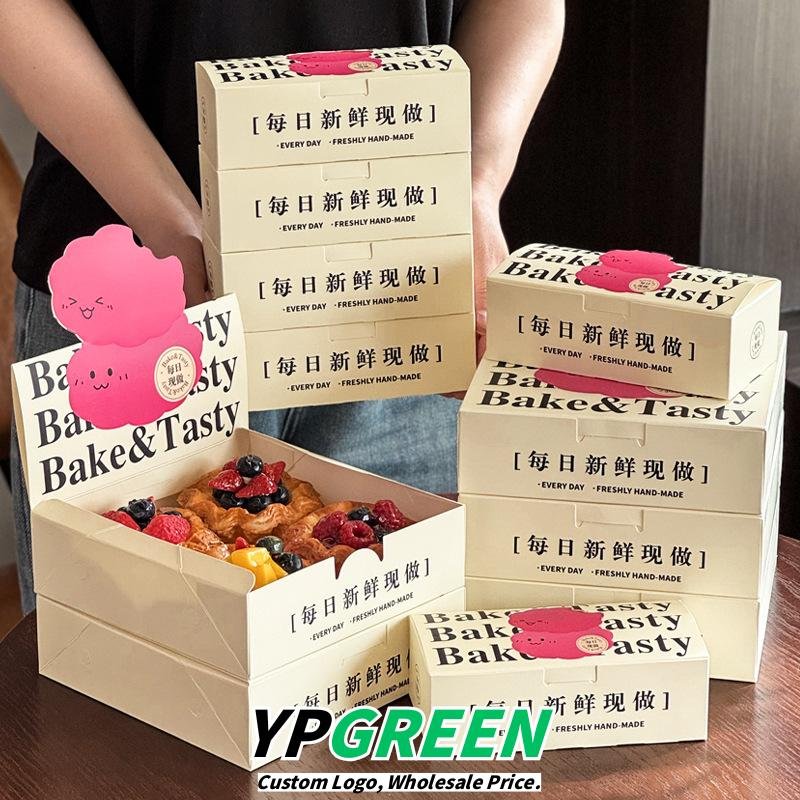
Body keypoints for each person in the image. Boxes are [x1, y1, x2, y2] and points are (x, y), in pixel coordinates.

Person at [0, 0, 564, 614]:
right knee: (120, 657)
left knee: (399, 654)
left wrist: (472, 186)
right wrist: (169, 221)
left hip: (401, 298)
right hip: (134, 301)